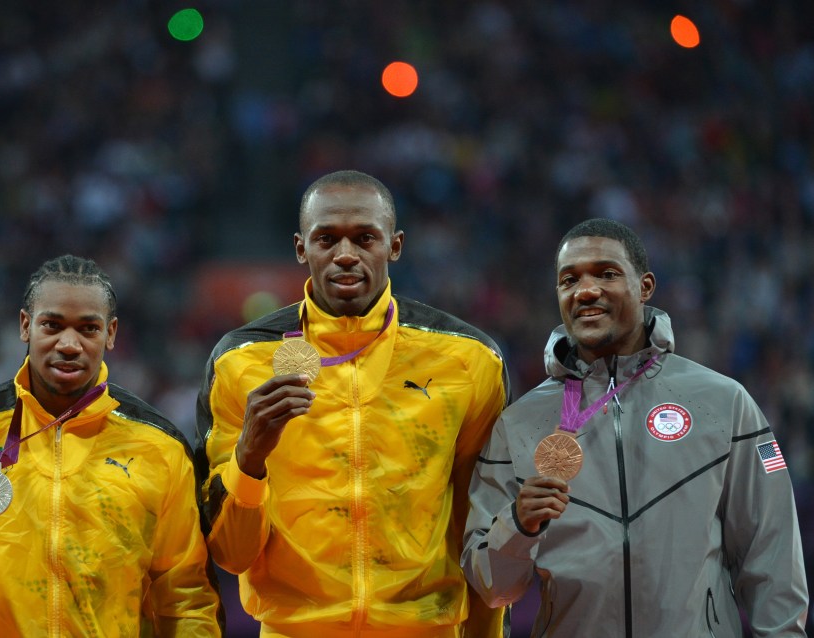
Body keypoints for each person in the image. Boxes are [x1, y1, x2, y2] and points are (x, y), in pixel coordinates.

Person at [196, 170, 511, 637]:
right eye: (327, 239)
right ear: (301, 248)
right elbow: (230, 555)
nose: (346, 255)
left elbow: (482, 528)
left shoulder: (467, 360)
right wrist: (249, 459)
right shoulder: (240, 361)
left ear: (395, 245)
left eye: (365, 238)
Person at [462, 218, 809, 636]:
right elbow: (492, 587)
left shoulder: (723, 403)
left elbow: (770, 556)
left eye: (606, 274)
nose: (586, 290)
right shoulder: (518, 424)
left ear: (645, 287)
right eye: (569, 280)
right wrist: (517, 526)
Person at [0, 255, 224, 636]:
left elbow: (188, 597)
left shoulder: (160, 447)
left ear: (111, 334)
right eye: (52, 325)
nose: (69, 344)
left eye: (88, 329)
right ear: (26, 326)